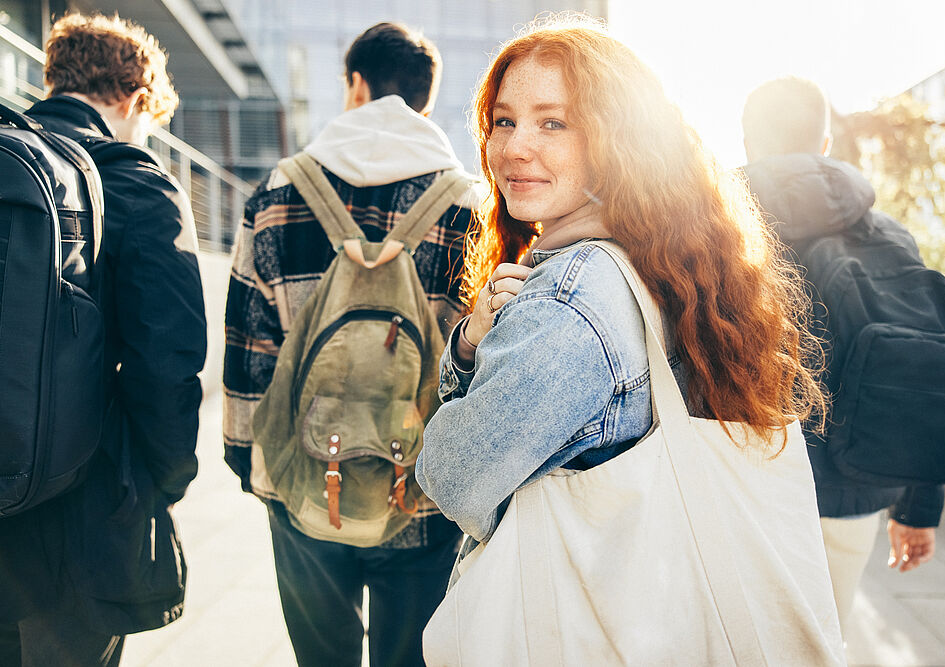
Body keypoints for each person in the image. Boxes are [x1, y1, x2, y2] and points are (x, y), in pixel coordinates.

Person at [414, 20, 823, 570]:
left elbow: (453, 475)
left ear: (618, 140)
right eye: (503, 121)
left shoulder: (569, 302)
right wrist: (473, 340)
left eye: (553, 123)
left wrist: (467, 363)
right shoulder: (659, 259)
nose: (515, 148)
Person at [223, 22, 475, 667]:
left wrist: (249, 458)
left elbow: (247, 342)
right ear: (424, 98)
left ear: (356, 85)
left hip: (304, 478)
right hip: (418, 487)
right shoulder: (467, 203)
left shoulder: (280, 191)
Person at [0, 13, 207, 667]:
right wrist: (163, 483)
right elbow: (167, 364)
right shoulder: (142, 186)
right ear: (137, 99)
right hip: (80, 515)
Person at [741, 76, 943, 628]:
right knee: (825, 643)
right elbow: (924, 366)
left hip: (739, 486)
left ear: (749, 144)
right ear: (825, 146)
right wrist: (918, 507)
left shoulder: (713, 230)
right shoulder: (891, 236)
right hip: (855, 484)